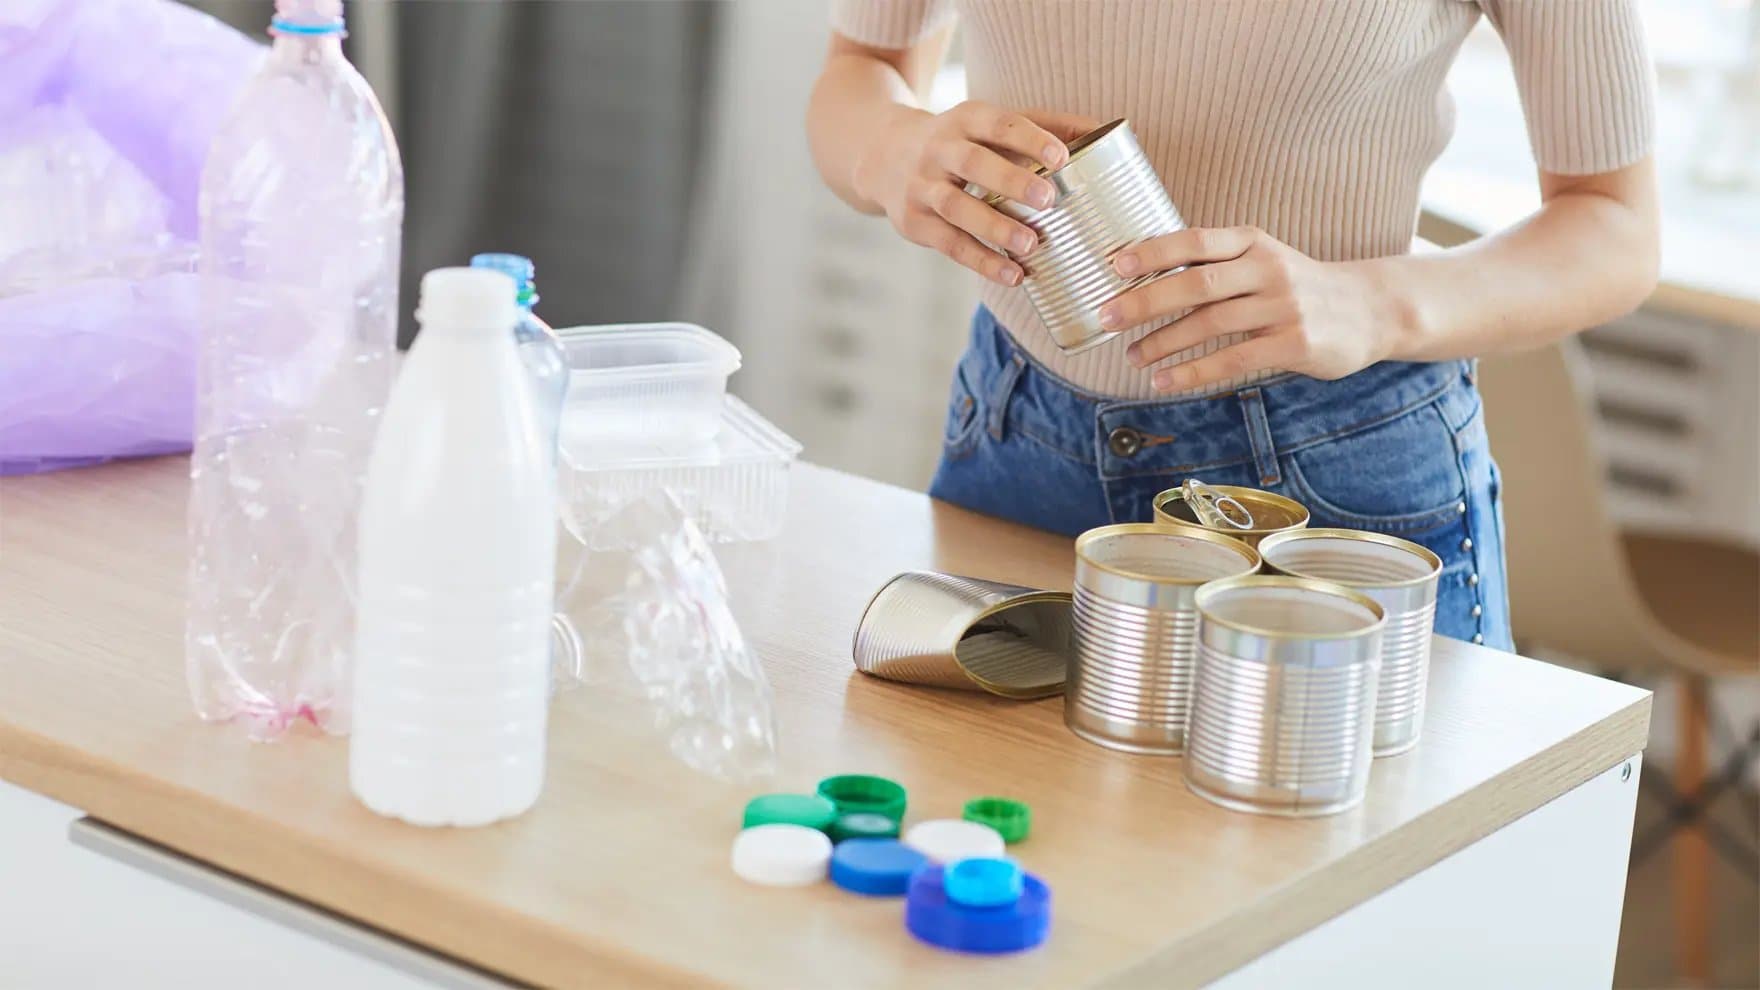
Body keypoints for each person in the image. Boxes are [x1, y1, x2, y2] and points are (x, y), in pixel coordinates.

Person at [806, 0, 1660, 650]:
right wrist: (893, 150)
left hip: (1339, 491)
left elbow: (1616, 227)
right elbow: (865, 67)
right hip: (1017, 445)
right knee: (991, 867)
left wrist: (1371, 301)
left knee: (1374, 882)